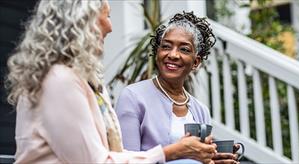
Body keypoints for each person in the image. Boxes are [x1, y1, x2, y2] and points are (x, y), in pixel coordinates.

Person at [5, 1, 216, 163]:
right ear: (83, 22)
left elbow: (111, 155)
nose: (110, 27)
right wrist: (172, 151)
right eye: (106, 16)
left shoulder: (83, 80)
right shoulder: (59, 80)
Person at [116, 11, 240, 163]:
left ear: (196, 62)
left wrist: (215, 160)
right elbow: (125, 160)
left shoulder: (200, 111)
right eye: (166, 46)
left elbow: (200, 159)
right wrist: (178, 153)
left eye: (184, 49)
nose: (173, 55)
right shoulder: (133, 97)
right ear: (157, 54)